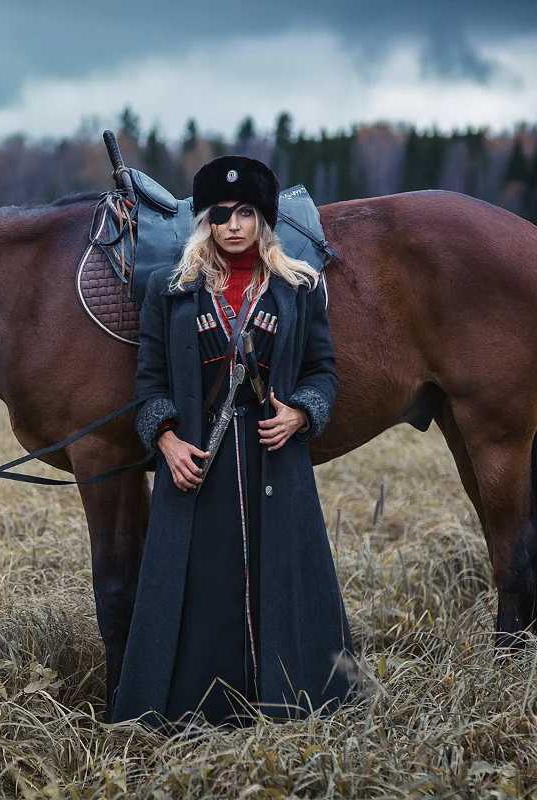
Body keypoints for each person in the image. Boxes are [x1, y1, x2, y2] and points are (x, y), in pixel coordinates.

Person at [111, 155, 357, 729]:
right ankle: (199, 717)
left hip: (276, 460)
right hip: (197, 468)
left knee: (283, 585)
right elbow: (148, 385)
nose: (234, 226)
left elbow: (324, 371)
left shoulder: (299, 288)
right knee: (201, 592)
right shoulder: (169, 291)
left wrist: (300, 413)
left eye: (245, 212)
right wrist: (167, 441)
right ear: (206, 223)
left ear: (263, 219)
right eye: (220, 215)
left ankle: (295, 708)